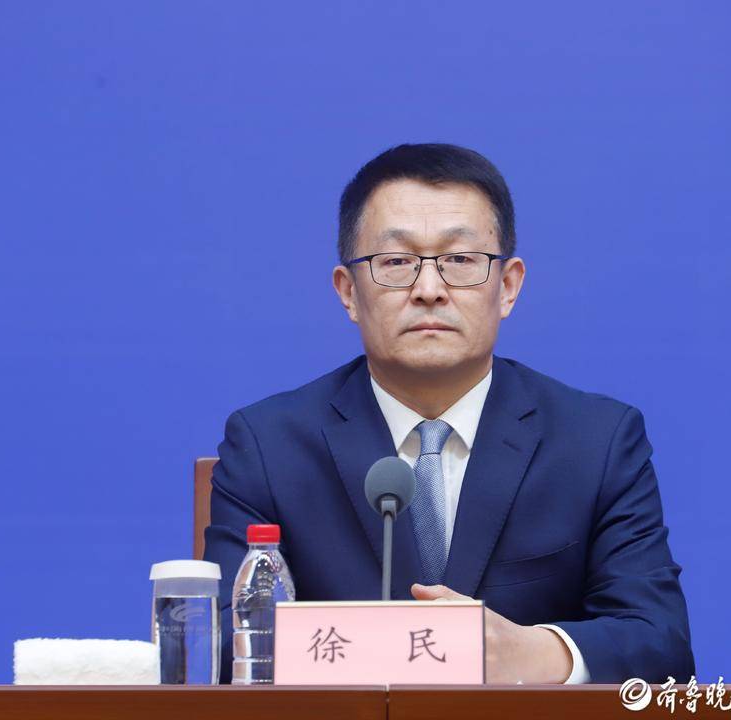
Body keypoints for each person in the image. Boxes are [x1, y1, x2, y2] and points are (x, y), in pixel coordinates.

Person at [204, 143, 695, 684]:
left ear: (508, 287)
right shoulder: (269, 445)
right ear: (348, 292)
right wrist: (423, 651)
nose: (429, 290)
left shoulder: (595, 441)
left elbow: (660, 641)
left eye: (460, 261)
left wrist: (534, 652)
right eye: (396, 262)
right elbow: (228, 642)